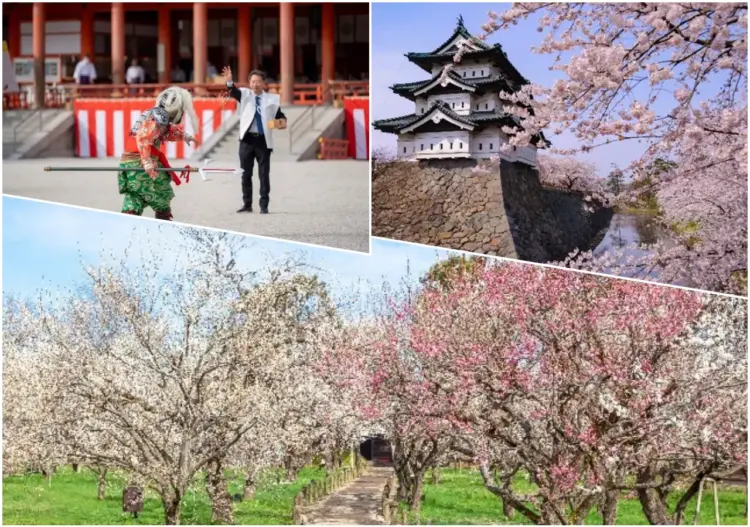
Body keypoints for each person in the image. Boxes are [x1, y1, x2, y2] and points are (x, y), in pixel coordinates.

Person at [117, 87, 199, 220]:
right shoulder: (157, 116)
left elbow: (165, 132)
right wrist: (147, 161)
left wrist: (184, 136)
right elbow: (144, 137)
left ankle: (130, 220)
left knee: (136, 194)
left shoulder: (153, 114)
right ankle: (162, 221)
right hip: (140, 161)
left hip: (132, 161)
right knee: (160, 191)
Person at [223, 66, 287, 214]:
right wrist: (229, 81)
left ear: (264, 83)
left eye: (258, 82)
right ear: (249, 83)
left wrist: (279, 123)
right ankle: (247, 204)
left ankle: (264, 205)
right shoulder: (245, 95)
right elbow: (233, 91)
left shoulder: (272, 99)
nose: (255, 84)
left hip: (263, 141)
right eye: (252, 81)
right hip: (246, 140)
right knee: (245, 174)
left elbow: (280, 117)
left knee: (264, 174)